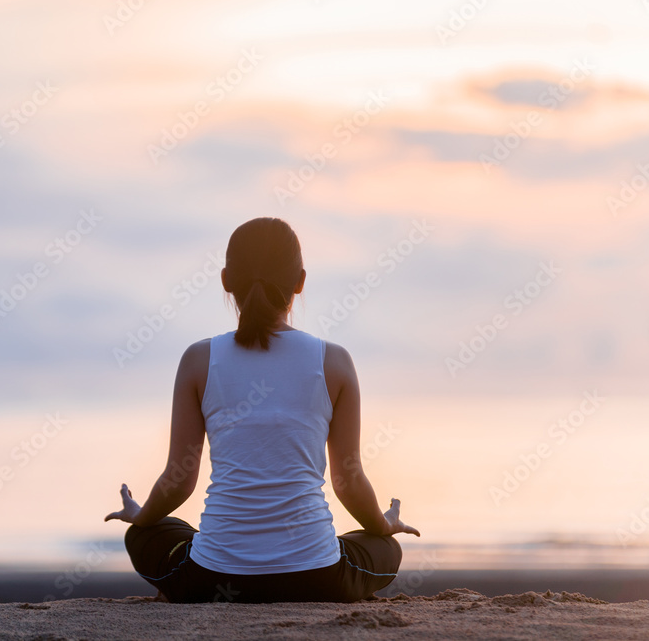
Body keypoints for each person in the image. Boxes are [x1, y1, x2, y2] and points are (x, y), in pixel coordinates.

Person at [105, 217, 419, 603]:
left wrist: (141, 516)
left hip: (209, 580)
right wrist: (384, 526)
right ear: (300, 281)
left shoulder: (198, 360)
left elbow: (179, 479)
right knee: (385, 549)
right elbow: (348, 482)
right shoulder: (334, 361)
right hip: (319, 580)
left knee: (145, 534)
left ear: (225, 280)